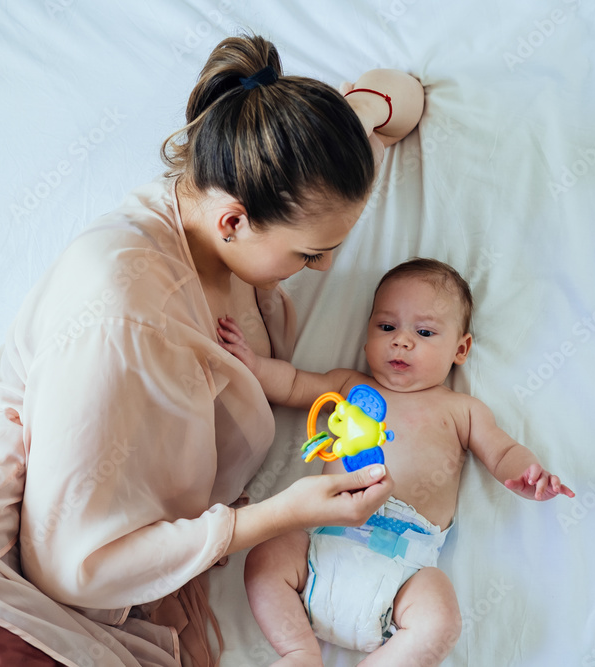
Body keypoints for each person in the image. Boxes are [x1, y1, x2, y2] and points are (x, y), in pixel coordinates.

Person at [0, 35, 427, 667]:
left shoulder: (244, 179)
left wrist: (365, 109)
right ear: (234, 222)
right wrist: (273, 517)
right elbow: (71, 570)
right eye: (308, 254)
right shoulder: (126, 324)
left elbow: (399, 94)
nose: (322, 270)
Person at [217, 258, 576, 666]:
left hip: (404, 566)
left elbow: (504, 451)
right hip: (325, 543)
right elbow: (295, 384)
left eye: (423, 332)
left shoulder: (462, 410)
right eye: (387, 327)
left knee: (440, 618)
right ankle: (299, 650)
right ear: (367, 334)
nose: (401, 341)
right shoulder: (351, 386)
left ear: (461, 349)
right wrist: (253, 365)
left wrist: (526, 473)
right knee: (266, 555)